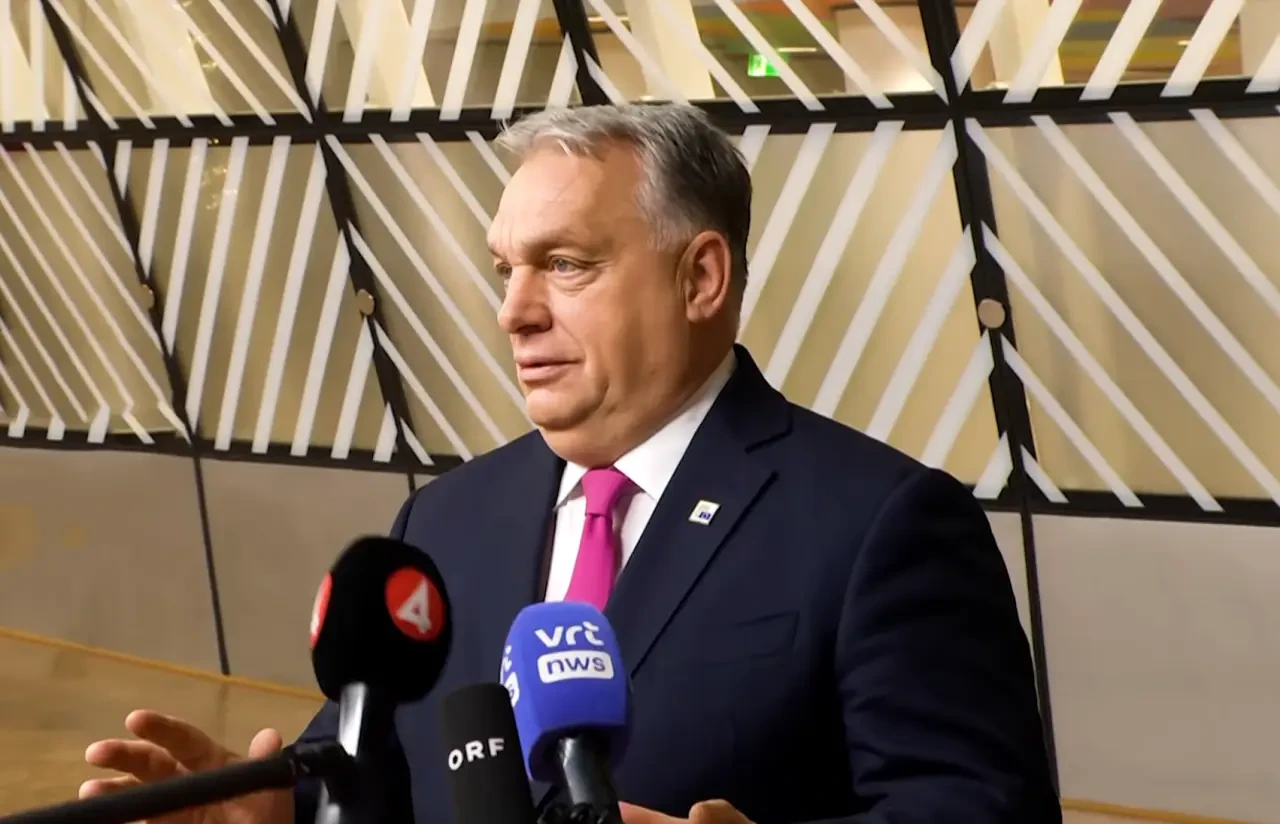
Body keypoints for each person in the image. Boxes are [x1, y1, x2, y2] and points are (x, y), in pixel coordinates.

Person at [80, 103, 1060, 824]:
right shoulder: (445, 522)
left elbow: (979, 810)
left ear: (700, 276)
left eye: (565, 264)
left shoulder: (880, 526)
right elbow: (378, 772)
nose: (514, 310)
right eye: (505, 269)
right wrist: (283, 812)